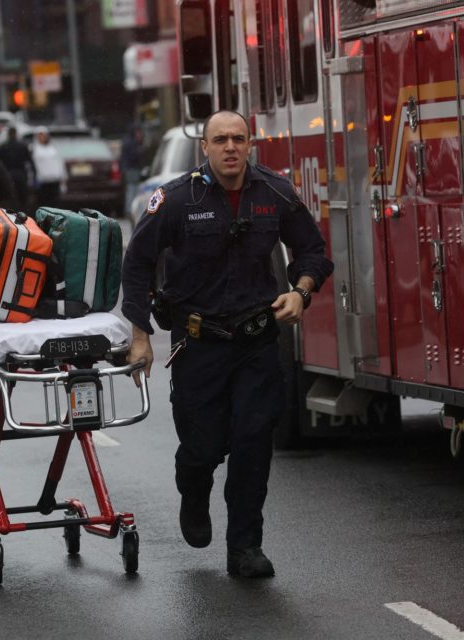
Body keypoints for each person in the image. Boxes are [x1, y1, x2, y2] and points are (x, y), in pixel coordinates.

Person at [121, 110, 333, 579]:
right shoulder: (175, 200)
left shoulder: (274, 192)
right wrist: (140, 336)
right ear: (206, 147)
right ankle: (194, 493)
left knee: (253, 443)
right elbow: (137, 263)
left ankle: (245, 548)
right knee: (202, 448)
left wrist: (301, 292)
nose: (230, 147)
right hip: (198, 345)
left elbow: (314, 252)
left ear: (251, 144)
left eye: (239, 139)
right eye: (221, 140)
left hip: (256, 342)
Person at [0, 126, 34, 211]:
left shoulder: (3, 147)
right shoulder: (22, 146)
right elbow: (30, 162)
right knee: (22, 199)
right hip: (21, 175)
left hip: (8, 175)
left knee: (10, 199)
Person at [30, 126, 66, 209]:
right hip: (42, 183)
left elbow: (60, 164)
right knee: (44, 205)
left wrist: (63, 179)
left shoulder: (53, 148)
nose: (42, 138)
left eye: (43, 135)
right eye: (39, 136)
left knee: (55, 204)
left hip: (54, 181)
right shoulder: (33, 149)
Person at [119, 124, 144, 217]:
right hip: (132, 169)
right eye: (138, 132)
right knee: (133, 188)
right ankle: (131, 209)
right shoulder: (132, 143)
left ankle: (129, 208)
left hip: (128, 168)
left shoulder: (126, 141)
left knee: (130, 188)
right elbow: (134, 157)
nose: (140, 134)